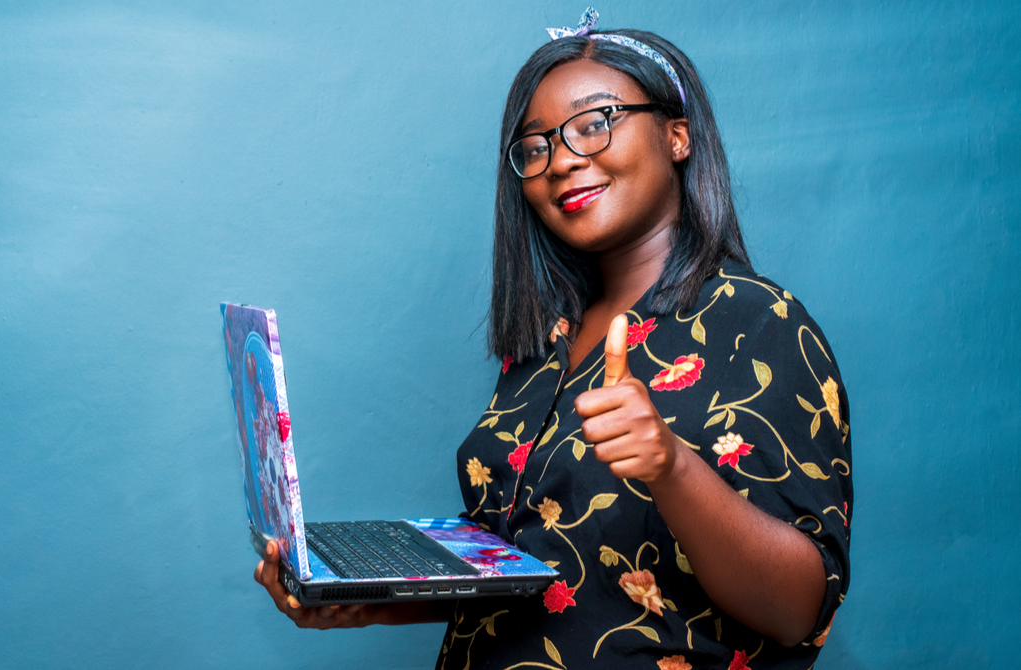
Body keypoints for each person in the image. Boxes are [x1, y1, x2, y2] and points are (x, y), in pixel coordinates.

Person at [254, 9, 852, 669]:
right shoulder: (543, 349)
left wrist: (670, 465)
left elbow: (798, 611)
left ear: (677, 135)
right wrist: (366, 600)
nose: (562, 160)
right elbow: (541, 576)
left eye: (594, 125)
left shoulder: (757, 318)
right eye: (535, 147)